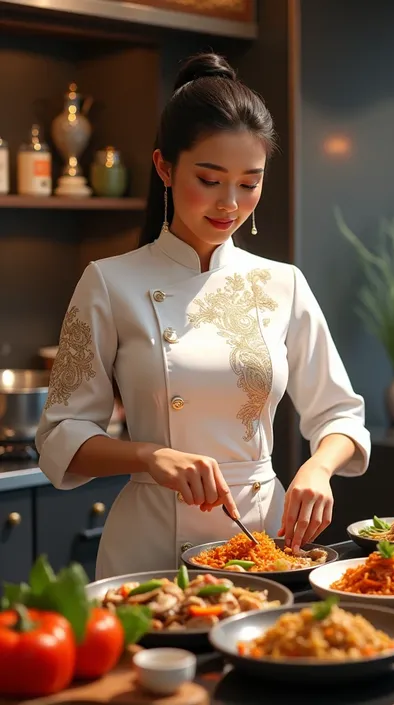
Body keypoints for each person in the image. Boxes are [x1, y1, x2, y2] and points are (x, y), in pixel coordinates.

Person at [36, 52, 370, 580]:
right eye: (210, 179)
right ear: (164, 167)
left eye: (249, 182)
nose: (230, 204)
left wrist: (319, 467)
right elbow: (61, 436)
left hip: (262, 540)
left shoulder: (283, 284)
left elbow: (341, 416)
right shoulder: (108, 281)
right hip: (148, 549)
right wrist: (148, 456)